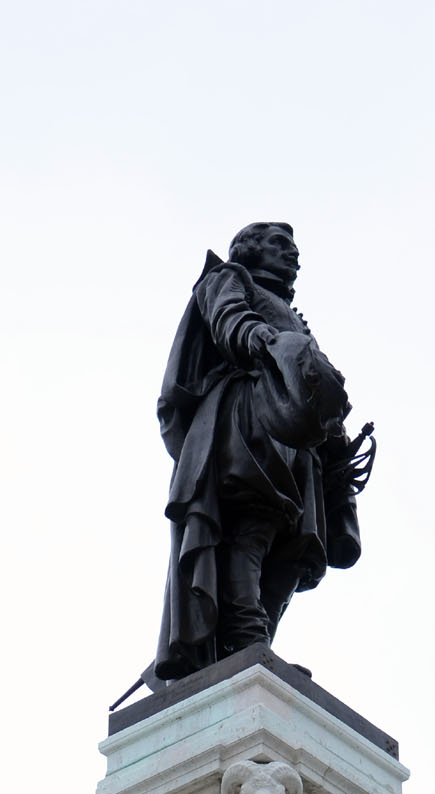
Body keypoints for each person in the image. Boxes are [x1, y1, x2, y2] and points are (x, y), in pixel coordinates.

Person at [154, 222, 373, 678]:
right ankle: (248, 639)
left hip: (299, 440)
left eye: (294, 248)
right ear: (250, 249)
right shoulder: (228, 277)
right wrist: (265, 339)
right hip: (248, 416)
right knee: (253, 524)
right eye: (279, 244)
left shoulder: (292, 314)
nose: (293, 254)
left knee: (295, 546)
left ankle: (255, 646)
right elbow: (228, 319)